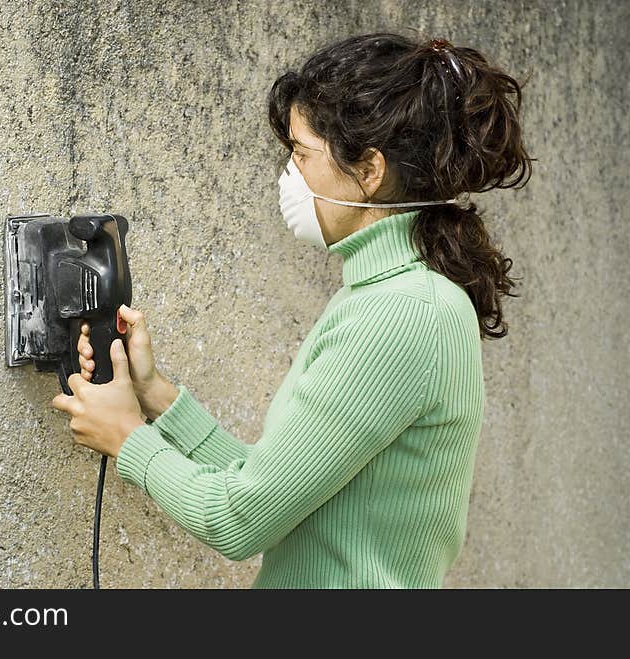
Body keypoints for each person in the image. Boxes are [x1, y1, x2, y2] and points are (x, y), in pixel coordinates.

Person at [51, 32, 532, 588]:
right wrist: (156, 395)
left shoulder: (402, 315)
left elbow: (240, 520)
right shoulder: (388, 295)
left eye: (303, 153)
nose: (290, 174)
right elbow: (279, 495)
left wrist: (129, 438)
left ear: (369, 171)